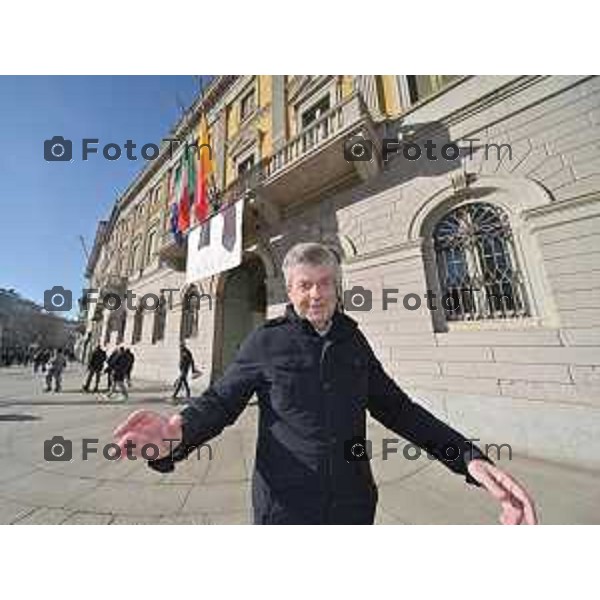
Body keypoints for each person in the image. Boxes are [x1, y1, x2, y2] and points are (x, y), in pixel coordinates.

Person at [113, 243, 537, 525]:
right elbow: (220, 401)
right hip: (285, 510)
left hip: (353, 507)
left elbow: (399, 410)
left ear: (337, 287)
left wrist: (467, 458)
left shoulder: (353, 339)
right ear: (290, 290)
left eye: (324, 284)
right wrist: (176, 433)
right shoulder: (266, 341)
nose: (315, 294)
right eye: (304, 285)